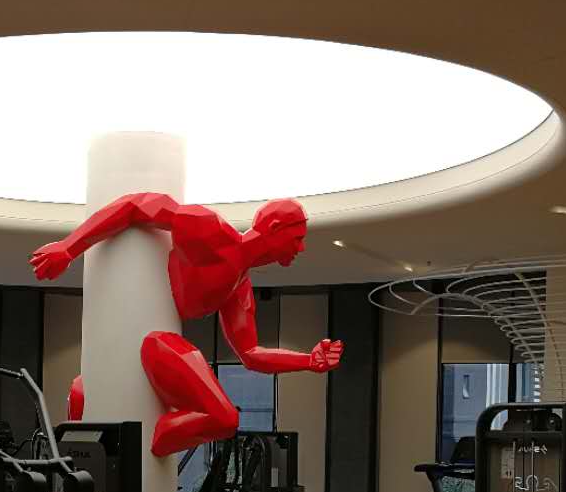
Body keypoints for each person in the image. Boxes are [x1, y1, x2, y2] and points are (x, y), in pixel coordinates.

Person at [30, 193, 344, 455]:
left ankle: (150, 455)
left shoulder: (239, 288)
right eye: (298, 238)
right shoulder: (211, 230)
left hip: (156, 346)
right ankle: (151, 445)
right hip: (150, 341)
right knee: (223, 418)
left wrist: (308, 361)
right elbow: (134, 206)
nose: (301, 248)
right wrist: (69, 247)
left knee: (223, 420)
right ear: (275, 228)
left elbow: (250, 354)